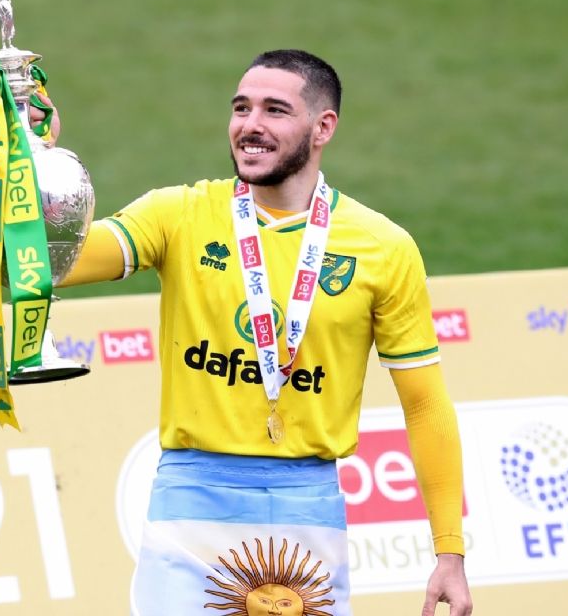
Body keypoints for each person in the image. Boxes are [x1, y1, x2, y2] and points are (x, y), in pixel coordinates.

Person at [35, 49, 471, 616]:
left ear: (323, 127)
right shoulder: (179, 214)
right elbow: (48, 262)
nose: (250, 125)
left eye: (274, 110)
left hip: (309, 506)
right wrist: (32, 169)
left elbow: (426, 405)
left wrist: (449, 551)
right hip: (191, 500)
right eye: (241, 108)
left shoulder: (384, 248)